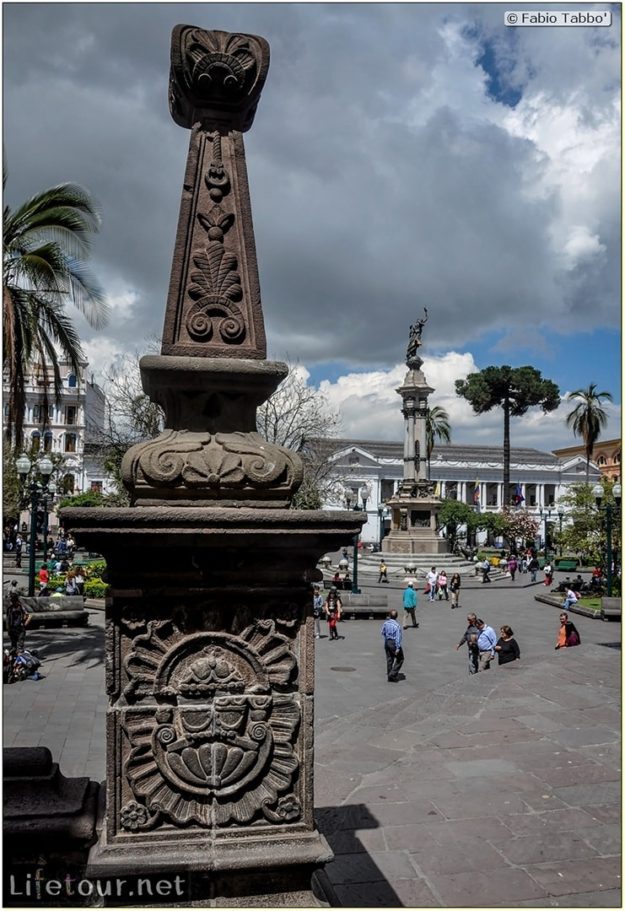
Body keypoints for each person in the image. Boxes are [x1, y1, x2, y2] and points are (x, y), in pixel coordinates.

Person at [381, 609, 404, 682]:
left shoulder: (386, 623)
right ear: (396, 616)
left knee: (389, 659)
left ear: (389, 616)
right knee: (400, 658)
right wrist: (397, 648)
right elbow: (398, 637)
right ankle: (392, 674)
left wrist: (386, 639)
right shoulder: (397, 626)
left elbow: (382, 632)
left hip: (387, 642)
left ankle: (389, 675)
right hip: (394, 643)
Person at [6, 589, 30, 654]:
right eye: (12, 601)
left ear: (17, 600)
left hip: (20, 628)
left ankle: (20, 660)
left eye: (14, 601)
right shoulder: (10, 608)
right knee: (13, 646)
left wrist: (25, 623)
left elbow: (28, 615)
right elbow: (8, 619)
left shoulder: (21, 607)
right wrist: (8, 629)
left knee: (20, 646)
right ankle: (13, 660)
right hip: (13, 629)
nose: (12, 602)